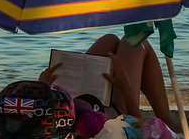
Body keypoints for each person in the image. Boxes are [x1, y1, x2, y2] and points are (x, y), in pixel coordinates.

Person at [39, 33, 179, 130]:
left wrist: (42, 87)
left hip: (76, 104)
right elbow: (135, 121)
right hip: (111, 113)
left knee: (109, 40)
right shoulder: (91, 131)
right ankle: (165, 118)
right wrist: (126, 88)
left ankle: (166, 117)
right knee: (136, 41)